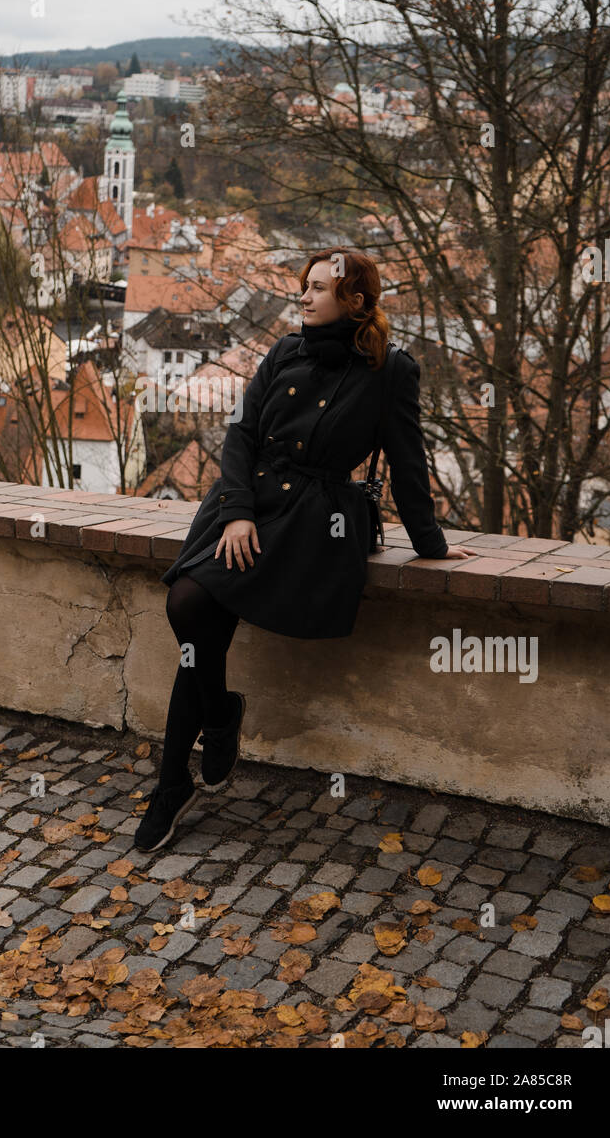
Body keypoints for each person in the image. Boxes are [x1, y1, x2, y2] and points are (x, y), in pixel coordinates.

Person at [134, 246, 478, 851]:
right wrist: (237, 512)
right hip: (245, 503)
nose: (303, 296)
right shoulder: (284, 351)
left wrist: (430, 542)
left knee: (197, 616)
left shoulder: (391, 371)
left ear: (355, 301)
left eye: (318, 288)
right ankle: (211, 728)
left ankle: (175, 780)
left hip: (311, 521)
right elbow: (239, 433)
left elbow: (406, 459)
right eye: (305, 285)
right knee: (188, 606)